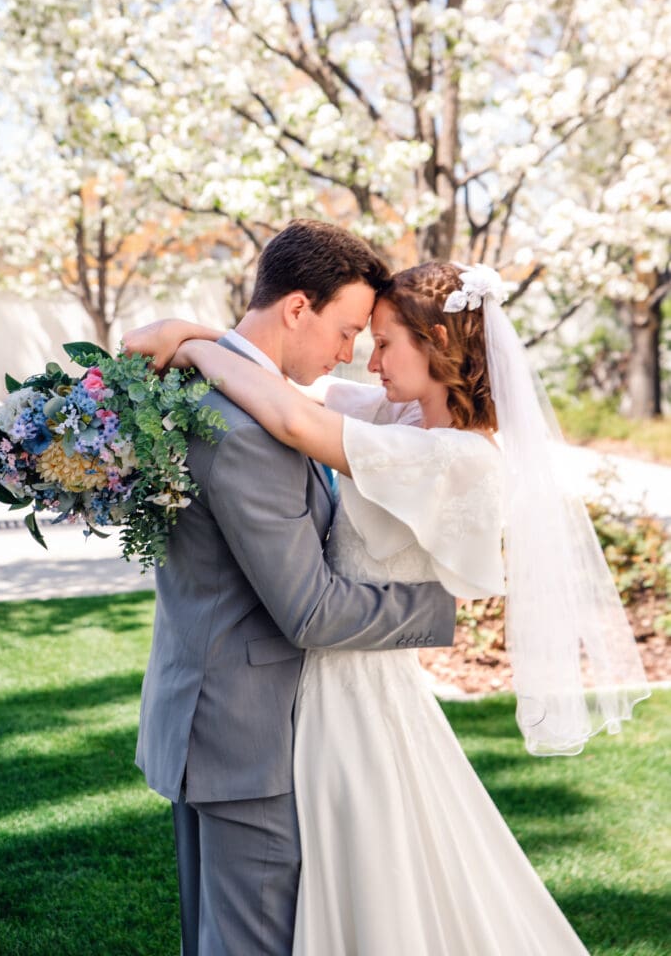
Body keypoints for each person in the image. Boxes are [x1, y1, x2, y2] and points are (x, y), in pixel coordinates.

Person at [133, 258, 649, 954]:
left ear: (438, 341)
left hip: (359, 691)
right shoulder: (396, 414)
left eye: (383, 341)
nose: (367, 358)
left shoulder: (457, 457)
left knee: (379, 882)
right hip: (314, 695)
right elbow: (285, 382)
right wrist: (200, 333)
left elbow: (289, 418)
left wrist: (188, 341)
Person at [127, 221, 458, 956]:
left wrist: (191, 333)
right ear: (298, 308)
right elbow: (311, 610)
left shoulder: (201, 387)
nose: (351, 352)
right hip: (250, 741)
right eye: (345, 330)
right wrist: (438, 609)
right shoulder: (251, 430)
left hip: (200, 716)